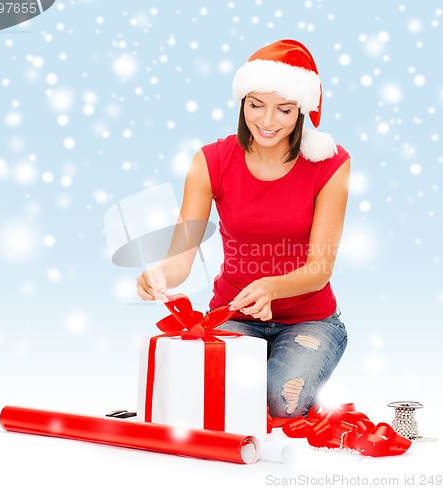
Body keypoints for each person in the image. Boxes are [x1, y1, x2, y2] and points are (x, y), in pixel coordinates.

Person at [136, 39, 351, 419]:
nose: (267, 122)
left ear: (301, 109)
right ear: (241, 101)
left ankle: (298, 365)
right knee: (217, 397)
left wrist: (272, 287)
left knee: (279, 404)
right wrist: (157, 275)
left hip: (309, 319)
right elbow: (181, 259)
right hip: (234, 314)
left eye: (284, 110)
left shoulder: (331, 165)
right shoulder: (210, 161)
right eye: (256, 105)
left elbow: (321, 269)